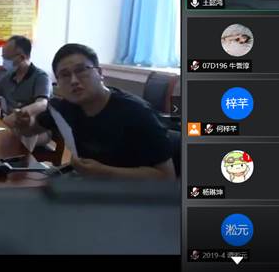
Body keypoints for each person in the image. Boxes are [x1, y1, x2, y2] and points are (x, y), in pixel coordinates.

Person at [14, 43, 176, 180]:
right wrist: (24, 123)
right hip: (89, 183)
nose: (74, 80)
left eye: (81, 70)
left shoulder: (137, 113)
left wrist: (104, 172)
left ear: (99, 73)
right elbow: (31, 130)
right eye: (65, 75)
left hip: (130, 196)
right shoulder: (64, 107)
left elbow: (166, 177)